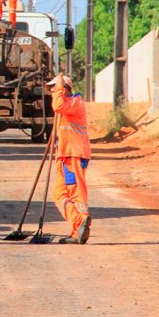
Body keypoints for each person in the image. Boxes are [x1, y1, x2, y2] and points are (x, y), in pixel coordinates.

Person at [48, 73, 92, 244]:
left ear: (64, 89)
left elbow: (58, 105)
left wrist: (59, 86)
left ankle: (81, 219)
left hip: (74, 154)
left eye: (55, 88)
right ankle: (77, 228)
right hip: (64, 155)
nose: (52, 91)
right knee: (59, 194)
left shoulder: (74, 102)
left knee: (74, 191)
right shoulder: (66, 105)